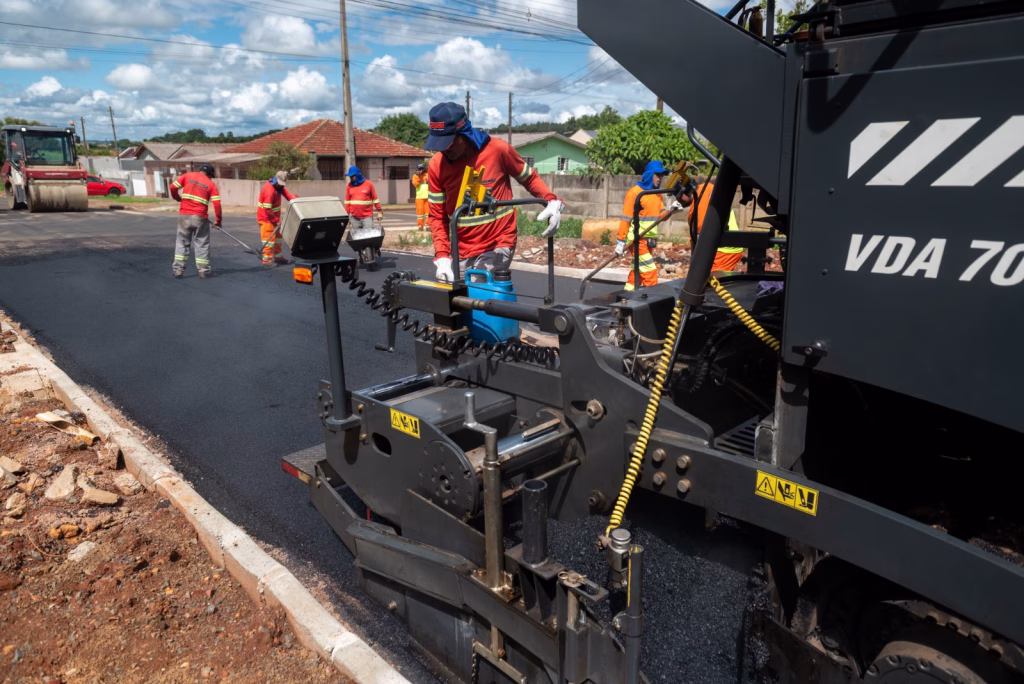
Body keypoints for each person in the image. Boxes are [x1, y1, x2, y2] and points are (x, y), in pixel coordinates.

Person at [423, 102, 564, 282]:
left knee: (478, 291)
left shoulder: (498, 150)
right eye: (440, 145)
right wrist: (442, 255)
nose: (445, 150)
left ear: (464, 132)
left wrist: (550, 200)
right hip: (461, 247)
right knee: (451, 301)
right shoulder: (437, 165)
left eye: (450, 144)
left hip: (497, 241)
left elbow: (529, 178)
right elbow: (437, 216)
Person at [614, 161, 682, 290]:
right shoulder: (635, 193)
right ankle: (653, 299)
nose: (660, 178)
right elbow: (626, 218)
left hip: (649, 240)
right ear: (650, 175)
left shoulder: (656, 194)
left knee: (637, 272)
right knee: (650, 272)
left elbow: (662, 217)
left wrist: (672, 210)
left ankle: (627, 296)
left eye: (662, 176)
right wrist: (620, 241)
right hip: (637, 240)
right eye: (658, 175)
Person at [169, 163, 221, 279]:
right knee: (201, 243)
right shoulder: (210, 184)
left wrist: (177, 198)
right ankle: (203, 271)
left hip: (184, 215)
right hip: (200, 217)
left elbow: (172, 187)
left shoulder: (187, 176)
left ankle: (178, 270)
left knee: (182, 242)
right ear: (210, 174)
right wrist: (218, 220)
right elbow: (217, 203)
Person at [688, 180, 744, 272]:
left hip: (723, 250)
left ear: (685, 192)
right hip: (726, 245)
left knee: (709, 282)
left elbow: (698, 235)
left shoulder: (699, 202)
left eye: (678, 197)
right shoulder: (705, 188)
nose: (678, 200)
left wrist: (694, 268)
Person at [257, 170, 298, 267]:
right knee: (269, 241)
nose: (281, 186)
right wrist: (277, 220)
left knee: (278, 239)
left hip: (274, 217)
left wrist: (294, 199)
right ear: (275, 180)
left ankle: (278, 258)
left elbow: (287, 194)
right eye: (280, 184)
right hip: (266, 218)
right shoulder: (269, 190)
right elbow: (267, 209)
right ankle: (267, 261)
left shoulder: (279, 187)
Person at [344, 165, 383, 234]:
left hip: (367, 216)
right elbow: (347, 202)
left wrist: (379, 211)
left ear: (357, 175)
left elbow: (375, 199)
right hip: (354, 217)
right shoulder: (349, 186)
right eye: (350, 176)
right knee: (357, 237)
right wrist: (347, 216)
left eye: (352, 176)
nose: (351, 178)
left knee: (368, 235)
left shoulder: (368, 184)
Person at [411, 162, 429, 230]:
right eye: (419, 169)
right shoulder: (415, 176)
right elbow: (415, 184)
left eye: (421, 169)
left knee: (428, 213)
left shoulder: (427, 175)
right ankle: (420, 226)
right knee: (420, 214)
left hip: (427, 197)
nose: (420, 170)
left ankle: (428, 226)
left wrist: (428, 180)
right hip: (419, 198)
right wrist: (419, 176)